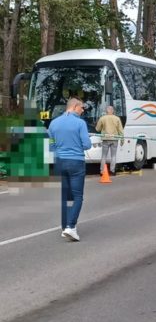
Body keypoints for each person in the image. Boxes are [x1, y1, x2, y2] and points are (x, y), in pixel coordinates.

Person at [48, 97, 92, 242]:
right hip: (76, 162)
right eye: (81, 107)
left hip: (60, 162)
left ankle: (64, 227)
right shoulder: (80, 123)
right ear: (74, 107)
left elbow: (51, 145)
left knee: (66, 196)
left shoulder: (53, 123)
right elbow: (86, 145)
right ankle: (71, 227)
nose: (83, 110)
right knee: (78, 196)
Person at [95, 105, 124, 175]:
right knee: (113, 156)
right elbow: (121, 130)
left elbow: (97, 129)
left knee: (103, 156)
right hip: (115, 139)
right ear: (113, 111)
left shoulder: (102, 118)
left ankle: (102, 171)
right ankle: (112, 171)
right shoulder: (117, 119)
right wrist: (122, 140)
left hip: (105, 139)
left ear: (106, 111)